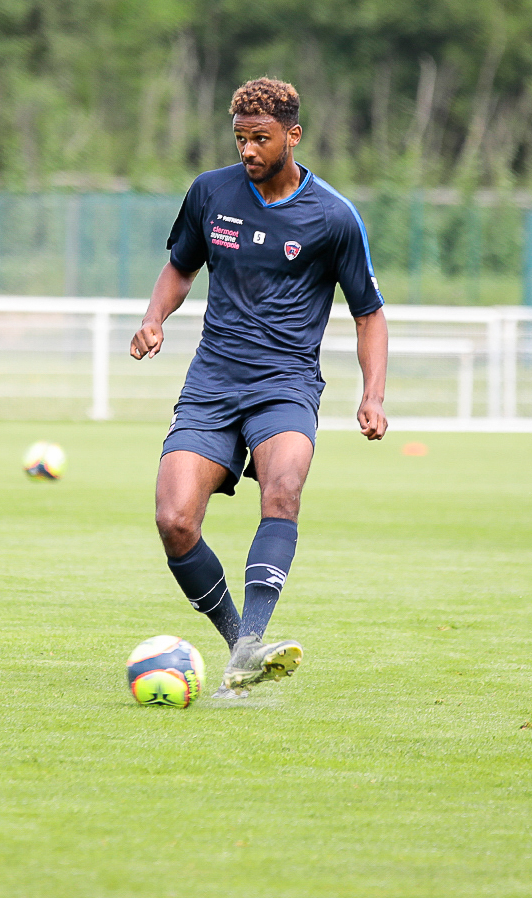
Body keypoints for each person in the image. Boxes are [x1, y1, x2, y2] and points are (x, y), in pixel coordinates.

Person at [130, 76, 388, 697]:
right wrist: (153, 318)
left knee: (285, 485)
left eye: (261, 138)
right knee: (174, 521)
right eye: (240, 137)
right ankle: (241, 643)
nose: (248, 149)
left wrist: (372, 393)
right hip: (212, 381)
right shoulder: (210, 193)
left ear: (292, 136)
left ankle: (254, 637)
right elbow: (181, 265)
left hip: (286, 383)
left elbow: (368, 312)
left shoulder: (332, 216)